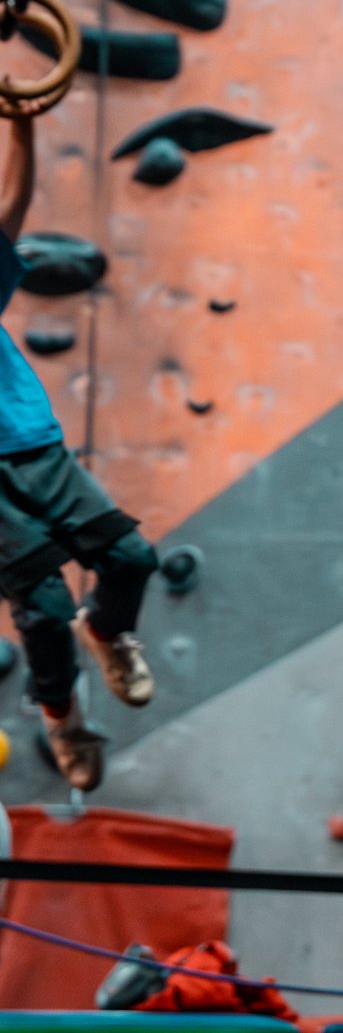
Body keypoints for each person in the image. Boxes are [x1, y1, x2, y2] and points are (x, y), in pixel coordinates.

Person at [0, 119, 158, 791]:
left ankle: (110, 630)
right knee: (41, 605)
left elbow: (8, 214)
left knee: (130, 558)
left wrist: (24, 135)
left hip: (33, 444)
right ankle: (63, 717)